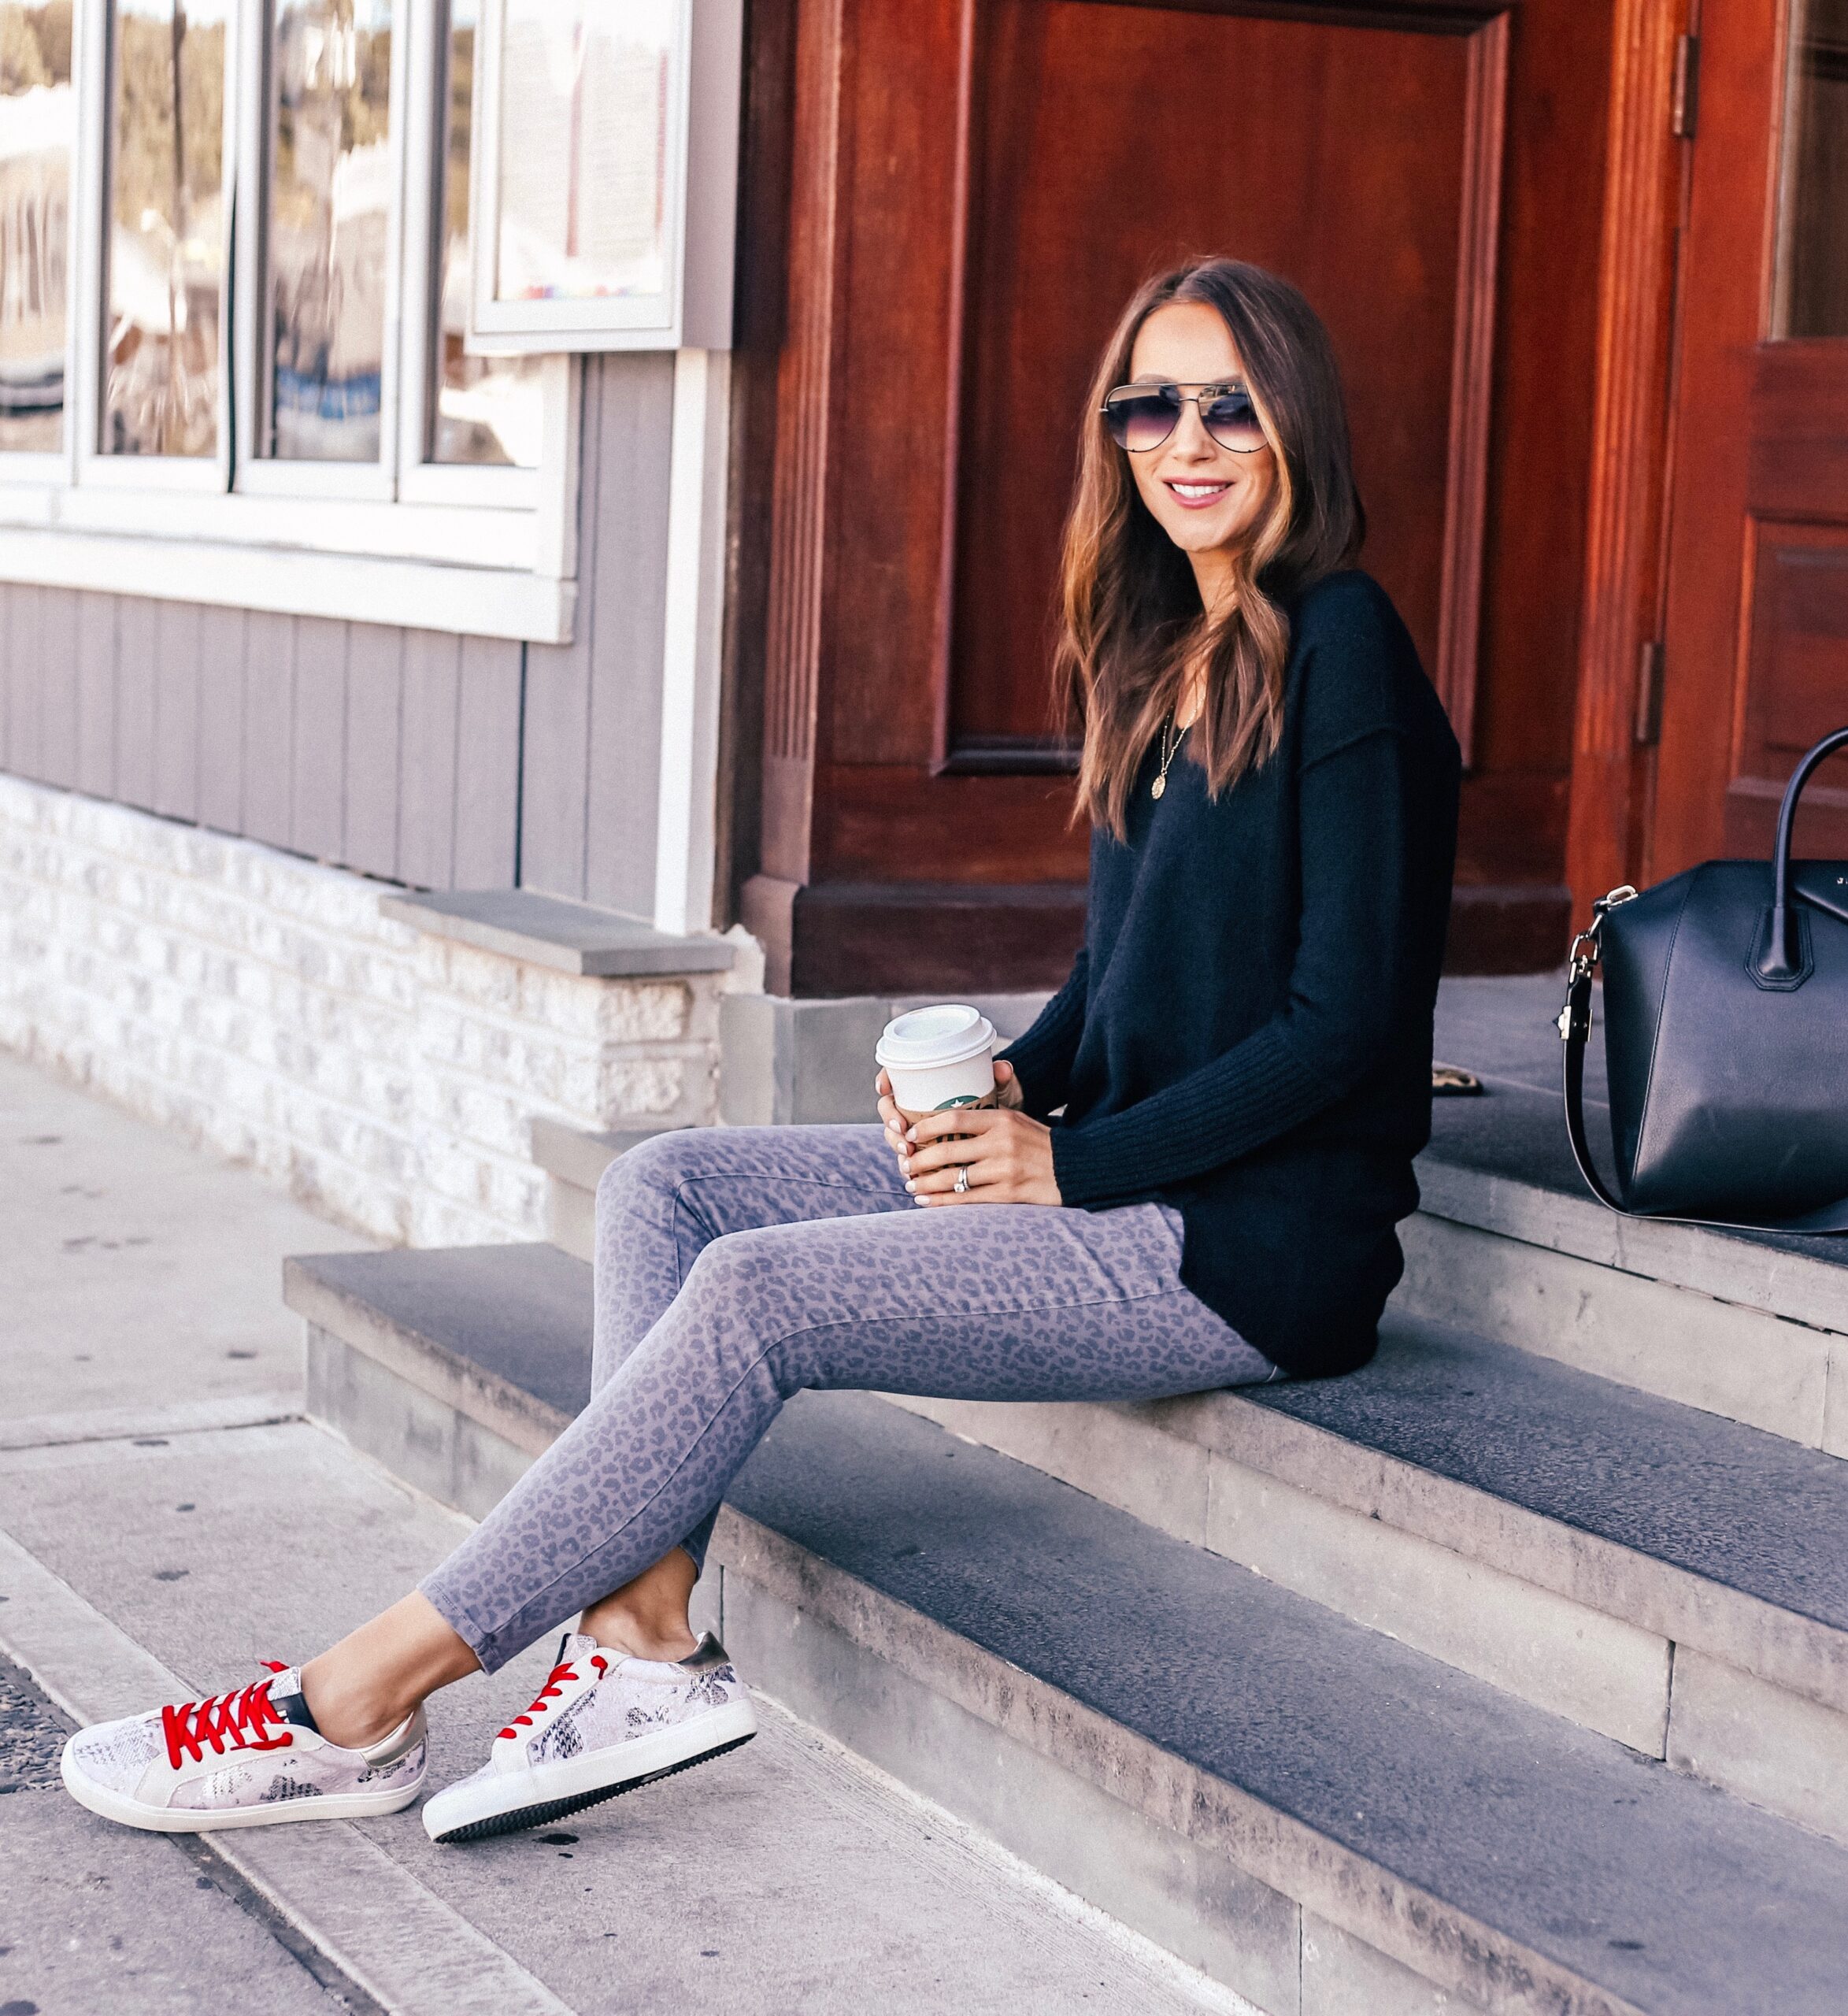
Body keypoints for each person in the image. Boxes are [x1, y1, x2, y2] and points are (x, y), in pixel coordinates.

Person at [59, 256, 1461, 1845]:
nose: (1186, 439)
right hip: (1113, 1168)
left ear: (1295, 426)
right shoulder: (1166, 648)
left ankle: (356, 1698)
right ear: (1114, 434)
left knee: (760, 1288)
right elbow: (1123, 971)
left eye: (1230, 406)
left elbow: (1341, 1030)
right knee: (668, 1186)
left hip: (1239, 1244)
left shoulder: (1346, 649)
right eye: (1151, 403)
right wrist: (1019, 1078)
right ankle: (643, 1637)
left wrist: (1067, 1161)